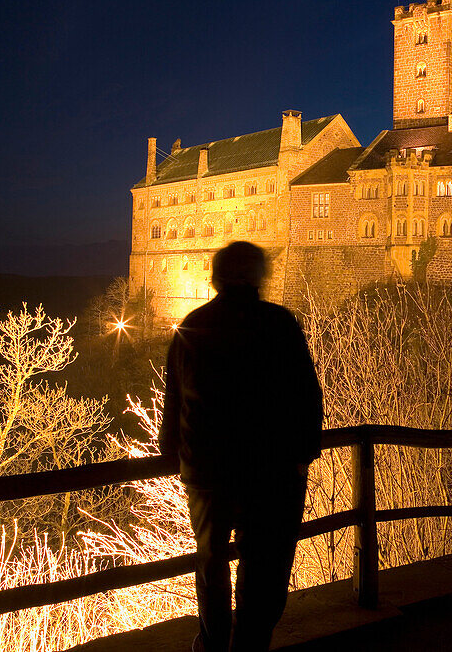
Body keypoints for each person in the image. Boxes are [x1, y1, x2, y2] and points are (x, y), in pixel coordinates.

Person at [160, 241, 323, 652]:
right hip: (271, 471)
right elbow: (307, 397)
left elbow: (174, 400)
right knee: (265, 563)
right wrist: (301, 456)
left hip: (208, 471)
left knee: (211, 562)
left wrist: (174, 456)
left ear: (215, 278)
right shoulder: (280, 324)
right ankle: (250, 644)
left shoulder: (192, 325)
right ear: (257, 277)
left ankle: (213, 643)